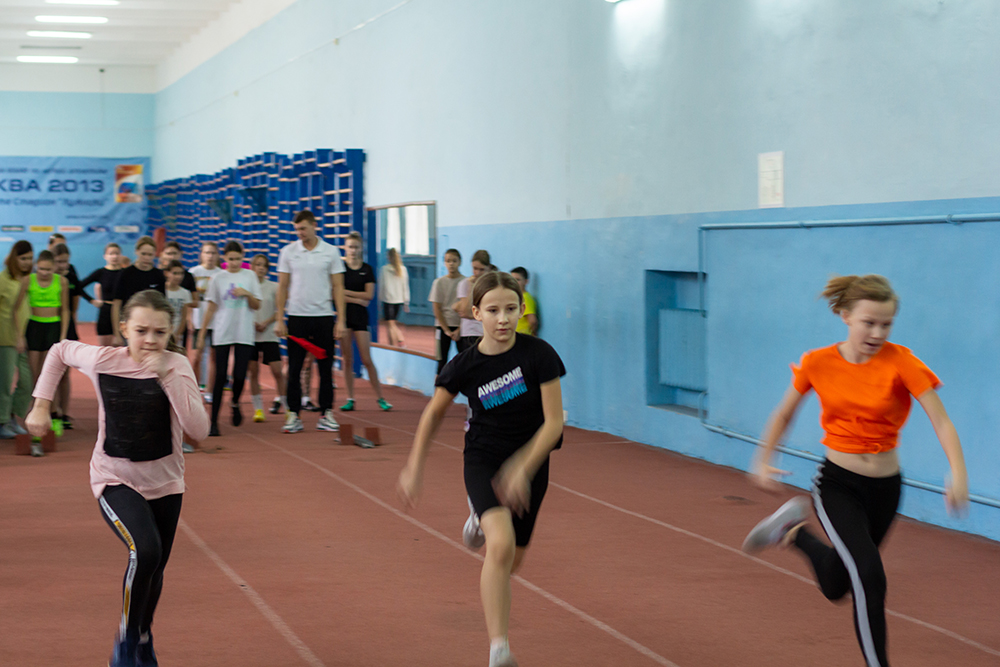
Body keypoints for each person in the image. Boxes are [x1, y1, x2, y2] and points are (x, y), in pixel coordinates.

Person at [743, 274, 969, 667]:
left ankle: (793, 533)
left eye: (886, 324)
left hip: (885, 488)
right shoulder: (819, 362)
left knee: (836, 583)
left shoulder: (902, 361)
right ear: (845, 316)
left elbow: (942, 420)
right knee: (869, 574)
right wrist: (762, 459)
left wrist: (958, 472)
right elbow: (784, 413)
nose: (877, 332)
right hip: (837, 485)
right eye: (869, 322)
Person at [25, 289, 210, 666]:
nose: (150, 340)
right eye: (141, 330)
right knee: (146, 550)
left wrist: (166, 377)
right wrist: (41, 406)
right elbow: (60, 350)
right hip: (114, 478)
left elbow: (199, 430)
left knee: (155, 566)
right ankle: (126, 642)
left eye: (159, 332)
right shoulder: (103, 359)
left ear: (170, 330)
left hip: (166, 482)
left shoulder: (177, 366)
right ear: (123, 328)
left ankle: (143, 635)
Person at [397, 271, 566, 667]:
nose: (503, 318)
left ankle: (477, 520)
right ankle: (499, 650)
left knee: (512, 561)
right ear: (476, 313)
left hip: (531, 462)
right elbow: (433, 414)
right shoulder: (464, 365)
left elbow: (554, 422)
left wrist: (523, 467)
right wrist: (413, 467)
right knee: (501, 545)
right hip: (484, 461)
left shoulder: (539, 355)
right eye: (493, 310)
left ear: (522, 311)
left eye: (511, 309)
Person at [274, 209, 346, 434]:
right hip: (296, 318)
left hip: (324, 317)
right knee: (294, 368)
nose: (300, 233)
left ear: (315, 225)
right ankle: (293, 414)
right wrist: (279, 319)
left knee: (326, 369)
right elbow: (282, 287)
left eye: (303, 228)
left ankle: (326, 413)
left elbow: (338, 287)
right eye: (296, 230)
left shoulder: (331, 252)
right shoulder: (288, 252)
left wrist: (340, 320)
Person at [196, 241, 261, 436]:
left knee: (240, 375)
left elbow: (256, 305)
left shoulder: (250, 276)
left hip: (244, 332)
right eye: (231, 259)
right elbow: (211, 307)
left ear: (243, 258)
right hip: (223, 331)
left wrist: (247, 293)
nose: (234, 263)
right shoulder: (217, 278)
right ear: (224, 258)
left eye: (238, 259)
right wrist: (201, 334)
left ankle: (234, 402)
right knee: (221, 376)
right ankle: (213, 420)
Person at [14, 249, 70, 442]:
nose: (44, 272)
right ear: (36, 266)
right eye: (41, 268)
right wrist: (20, 336)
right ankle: (35, 414)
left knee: (50, 376)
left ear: (54, 268)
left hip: (53, 327)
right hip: (34, 327)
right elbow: (17, 308)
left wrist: (62, 337)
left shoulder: (61, 281)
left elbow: (65, 310)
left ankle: (54, 416)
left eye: (48, 269)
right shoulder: (28, 280)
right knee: (35, 376)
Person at [340, 232, 391, 411]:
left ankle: (381, 398)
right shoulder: (340, 268)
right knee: (347, 360)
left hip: (361, 318)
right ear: (345, 248)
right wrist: (357, 299)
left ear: (360, 248)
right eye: (350, 247)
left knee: (366, 359)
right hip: (344, 317)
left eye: (356, 247)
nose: (353, 250)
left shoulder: (367, 269)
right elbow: (335, 293)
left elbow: (369, 295)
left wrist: (346, 294)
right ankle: (350, 398)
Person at [53, 242, 96, 430]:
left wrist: (72, 319)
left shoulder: (71, 272)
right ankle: (52, 411)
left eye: (66, 262)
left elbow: (77, 292)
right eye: (59, 262)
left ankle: (63, 412)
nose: (63, 265)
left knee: (65, 372)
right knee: (50, 371)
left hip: (67, 324)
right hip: (49, 324)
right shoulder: (46, 276)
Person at [247, 253, 287, 421]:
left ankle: (287, 406)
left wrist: (266, 322)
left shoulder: (274, 287)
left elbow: (279, 310)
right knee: (253, 371)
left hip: (269, 333)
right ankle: (258, 409)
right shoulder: (247, 288)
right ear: (252, 267)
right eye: (258, 265)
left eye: (264, 265)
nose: (261, 268)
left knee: (277, 371)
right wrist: (253, 323)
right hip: (251, 334)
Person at [0, 241, 33, 441]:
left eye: (30, 258)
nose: (27, 262)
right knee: (4, 383)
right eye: (23, 258)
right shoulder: (3, 279)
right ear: (14, 258)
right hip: (5, 338)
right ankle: (2, 422)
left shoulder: (28, 279)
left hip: (23, 338)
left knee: (27, 382)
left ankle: (11, 416)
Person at [112, 237, 165, 347]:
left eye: (150, 255)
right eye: (143, 254)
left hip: (151, 326)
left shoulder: (158, 275)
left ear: (155, 254)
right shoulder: (125, 274)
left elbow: (162, 305)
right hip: (131, 325)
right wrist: (117, 333)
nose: (146, 258)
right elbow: (116, 305)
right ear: (136, 252)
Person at [189, 242, 222, 400]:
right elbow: (188, 299)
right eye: (207, 253)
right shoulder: (193, 273)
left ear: (217, 255)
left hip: (216, 322)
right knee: (196, 356)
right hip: (198, 320)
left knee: (214, 357)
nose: (210, 256)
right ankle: (195, 388)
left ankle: (209, 391)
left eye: (213, 253)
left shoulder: (221, 273)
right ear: (201, 254)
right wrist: (189, 318)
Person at [428, 248, 466, 375]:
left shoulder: (465, 282)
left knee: (465, 360)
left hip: (461, 327)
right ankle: (437, 391)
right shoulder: (439, 283)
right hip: (442, 327)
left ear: (459, 262)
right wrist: (446, 330)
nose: (451, 264)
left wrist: (458, 330)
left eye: (454, 261)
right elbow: (437, 308)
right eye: (448, 261)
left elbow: (467, 307)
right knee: (441, 360)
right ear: (444, 263)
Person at [79, 242, 124, 346]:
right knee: (104, 350)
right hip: (105, 313)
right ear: (105, 256)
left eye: (117, 253)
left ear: (121, 255)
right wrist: (92, 300)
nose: (114, 256)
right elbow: (79, 286)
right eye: (111, 254)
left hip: (122, 313)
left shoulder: (125, 273)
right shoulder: (101, 272)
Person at [453, 249, 491, 353]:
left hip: (485, 333)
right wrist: (471, 287)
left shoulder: (492, 286)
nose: (477, 273)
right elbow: (465, 312)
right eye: (475, 269)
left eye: (481, 270)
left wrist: (473, 314)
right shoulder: (465, 284)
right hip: (468, 334)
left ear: (488, 268)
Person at [379, 247, 410, 347]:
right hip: (399, 300)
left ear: (388, 257)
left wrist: (379, 299)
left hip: (388, 300)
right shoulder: (403, 269)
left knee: (390, 324)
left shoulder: (384, 269)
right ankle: (397, 343)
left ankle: (395, 344)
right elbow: (405, 286)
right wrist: (406, 302)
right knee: (392, 324)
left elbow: (381, 286)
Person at [164, 261, 194, 349]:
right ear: (167, 273)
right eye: (175, 273)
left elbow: (184, 316)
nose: (178, 277)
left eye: (181, 274)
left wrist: (178, 333)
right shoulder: (162, 290)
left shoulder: (185, 293)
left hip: (176, 331)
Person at [510, 268, 538, 336]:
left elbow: (532, 321)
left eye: (518, 279)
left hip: (523, 336)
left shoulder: (525, 298)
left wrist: (532, 334)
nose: (514, 282)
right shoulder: (517, 296)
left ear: (526, 281)